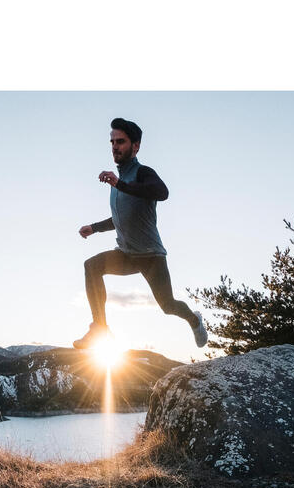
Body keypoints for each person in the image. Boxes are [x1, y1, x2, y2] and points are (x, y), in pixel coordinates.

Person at [74, 117, 208, 350]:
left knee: (167, 306)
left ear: (135, 146)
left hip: (151, 257)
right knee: (91, 266)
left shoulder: (142, 173)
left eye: (121, 142)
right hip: (126, 254)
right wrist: (94, 228)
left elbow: (162, 192)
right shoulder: (118, 183)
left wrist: (120, 185)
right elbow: (121, 219)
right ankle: (100, 328)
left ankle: (194, 319)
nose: (115, 146)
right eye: (112, 141)